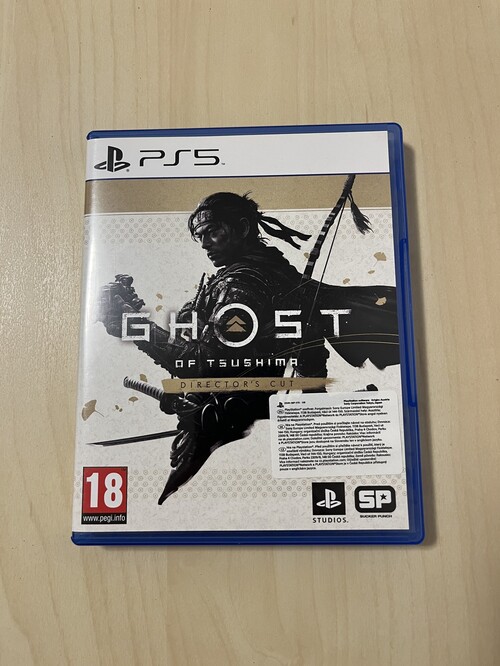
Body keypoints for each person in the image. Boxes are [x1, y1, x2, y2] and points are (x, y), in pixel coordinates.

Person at [98, 192, 399, 503]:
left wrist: (132, 326)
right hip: (226, 414)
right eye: (200, 236)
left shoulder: (243, 284)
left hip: (230, 419)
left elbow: (205, 364)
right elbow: (306, 348)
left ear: (242, 228)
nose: (205, 244)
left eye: (213, 232)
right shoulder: (269, 275)